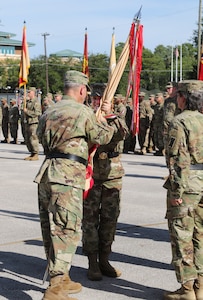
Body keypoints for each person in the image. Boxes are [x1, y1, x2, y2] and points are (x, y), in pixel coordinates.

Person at [34, 70, 115, 300]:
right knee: (66, 229)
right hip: (68, 176)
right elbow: (101, 137)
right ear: (82, 90)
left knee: (51, 229)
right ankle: (55, 288)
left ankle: (61, 276)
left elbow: (40, 136)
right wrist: (106, 118)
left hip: (47, 173)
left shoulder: (49, 110)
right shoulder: (82, 111)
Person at [163, 80, 203, 300]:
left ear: (184, 98)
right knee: (201, 235)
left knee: (182, 236)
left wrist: (176, 192)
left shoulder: (180, 122)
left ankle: (187, 290)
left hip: (188, 183)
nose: (176, 99)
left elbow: (178, 160)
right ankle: (201, 287)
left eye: (178, 95)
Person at [82, 95, 129, 281]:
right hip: (91, 176)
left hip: (112, 175)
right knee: (89, 221)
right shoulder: (86, 116)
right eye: (95, 99)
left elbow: (123, 133)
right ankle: (92, 262)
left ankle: (104, 260)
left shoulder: (116, 118)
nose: (97, 103)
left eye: (101, 100)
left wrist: (109, 115)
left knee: (110, 220)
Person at [23, 87, 42, 161]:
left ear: (33, 93)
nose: (28, 94)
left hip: (33, 122)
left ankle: (36, 153)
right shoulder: (28, 101)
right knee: (27, 138)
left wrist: (27, 111)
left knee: (33, 138)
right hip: (28, 122)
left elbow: (37, 113)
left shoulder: (36, 102)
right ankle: (31, 153)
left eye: (29, 92)